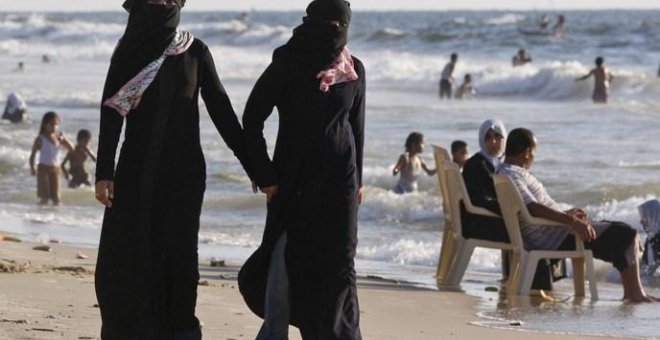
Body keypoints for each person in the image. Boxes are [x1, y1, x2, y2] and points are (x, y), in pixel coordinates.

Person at [94, 1, 252, 339]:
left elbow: (222, 111)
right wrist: (103, 172)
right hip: (135, 172)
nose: (164, 6)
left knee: (179, 256)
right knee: (132, 251)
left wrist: (256, 167)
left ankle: (181, 329)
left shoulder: (195, 51)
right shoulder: (128, 52)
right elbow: (111, 111)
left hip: (184, 176)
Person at [238, 1, 365, 338]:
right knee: (286, 261)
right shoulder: (288, 62)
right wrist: (263, 174)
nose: (336, 32)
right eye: (331, 24)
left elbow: (356, 127)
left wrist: (359, 182)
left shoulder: (354, 69)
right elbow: (252, 118)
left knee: (340, 266)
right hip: (294, 182)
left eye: (342, 25)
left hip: (341, 184)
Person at [497, 128, 658, 303]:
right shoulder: (512, 174)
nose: (534, 158)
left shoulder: (505, 172)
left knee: (620, 234)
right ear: (527, 152)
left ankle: (632, 293)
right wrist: (572, 221)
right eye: (534, 153)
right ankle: (635, 294)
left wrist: (566, 213)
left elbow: (530, 208)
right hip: (553, 236)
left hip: (551, 231)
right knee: (627, 234)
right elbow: (533, 208)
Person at [462, 120, 563, 289]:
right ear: (481, 139)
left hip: (488, 219)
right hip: (479, 222)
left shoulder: (501, 165)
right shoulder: (477, 165)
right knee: (533, 232)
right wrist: (512, 209)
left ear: (505, 140)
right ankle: (538, 285)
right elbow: (479, 200)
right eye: (488, 138)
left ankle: (538, 280)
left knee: (537, 228)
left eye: (498, 137)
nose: (493, 142)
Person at [28, 111, 74, 205]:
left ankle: (55, 218)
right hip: (43, 169)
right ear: (45, 124)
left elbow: (71, 149)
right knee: (45, 197)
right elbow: (32, 155)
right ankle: (40, 214)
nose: (54, 127)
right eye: (51, 124)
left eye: (56, 125)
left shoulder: (58, 138)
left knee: (56, 198)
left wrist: (65, 140)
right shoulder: (40, 139)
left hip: (56, 169)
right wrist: (32, 168)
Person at [638, 199, 660, 277]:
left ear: (653, 216)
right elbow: (645, 264)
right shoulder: (651, 238)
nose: (641, 221)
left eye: (644, 216)